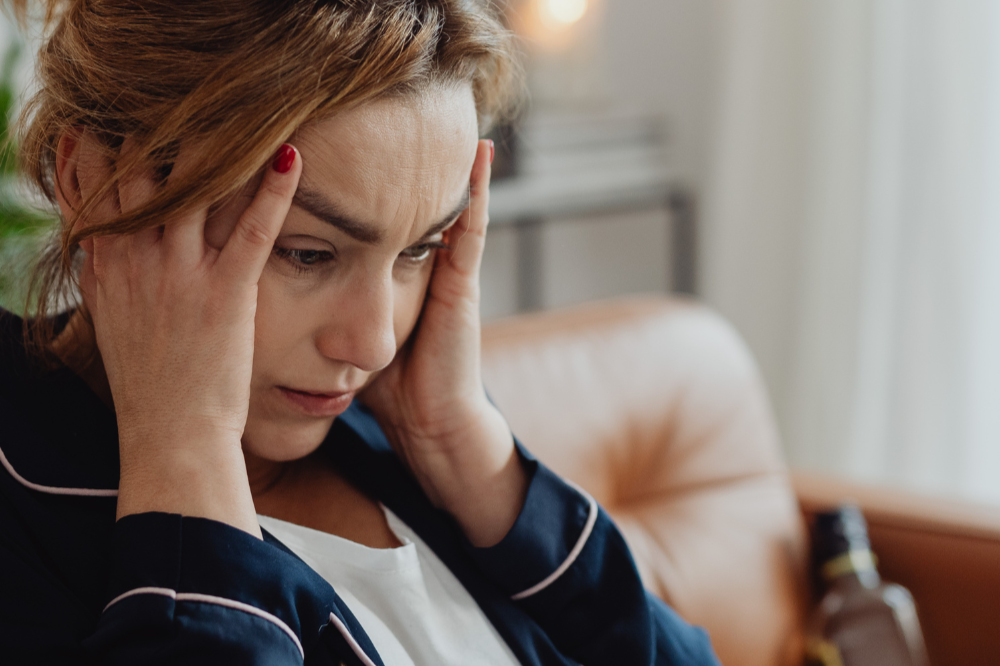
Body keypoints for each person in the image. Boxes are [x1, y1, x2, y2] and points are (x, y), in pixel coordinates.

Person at [0, 1, 722, 664]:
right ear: (91, 180)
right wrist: (183, 452)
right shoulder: (27, 515)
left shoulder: (409, 450)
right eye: (307, 252)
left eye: (419, 250)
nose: (374, 345)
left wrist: (478, 466)